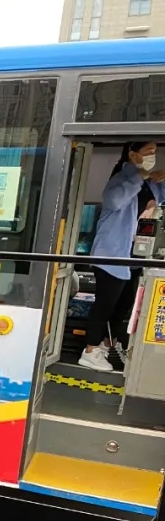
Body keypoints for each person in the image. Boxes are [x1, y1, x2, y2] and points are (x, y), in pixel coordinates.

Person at [80, 141, 165, 372]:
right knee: (105, 305)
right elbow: (114, 201)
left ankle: (109, 344)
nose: (152, 155)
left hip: (133, 256)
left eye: (155, 152)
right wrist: (139, 175)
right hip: (111, 254)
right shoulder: (121, 179)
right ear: (133, 154)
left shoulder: (149, 185)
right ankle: (90, 351)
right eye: (148, 151)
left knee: (123, 306)